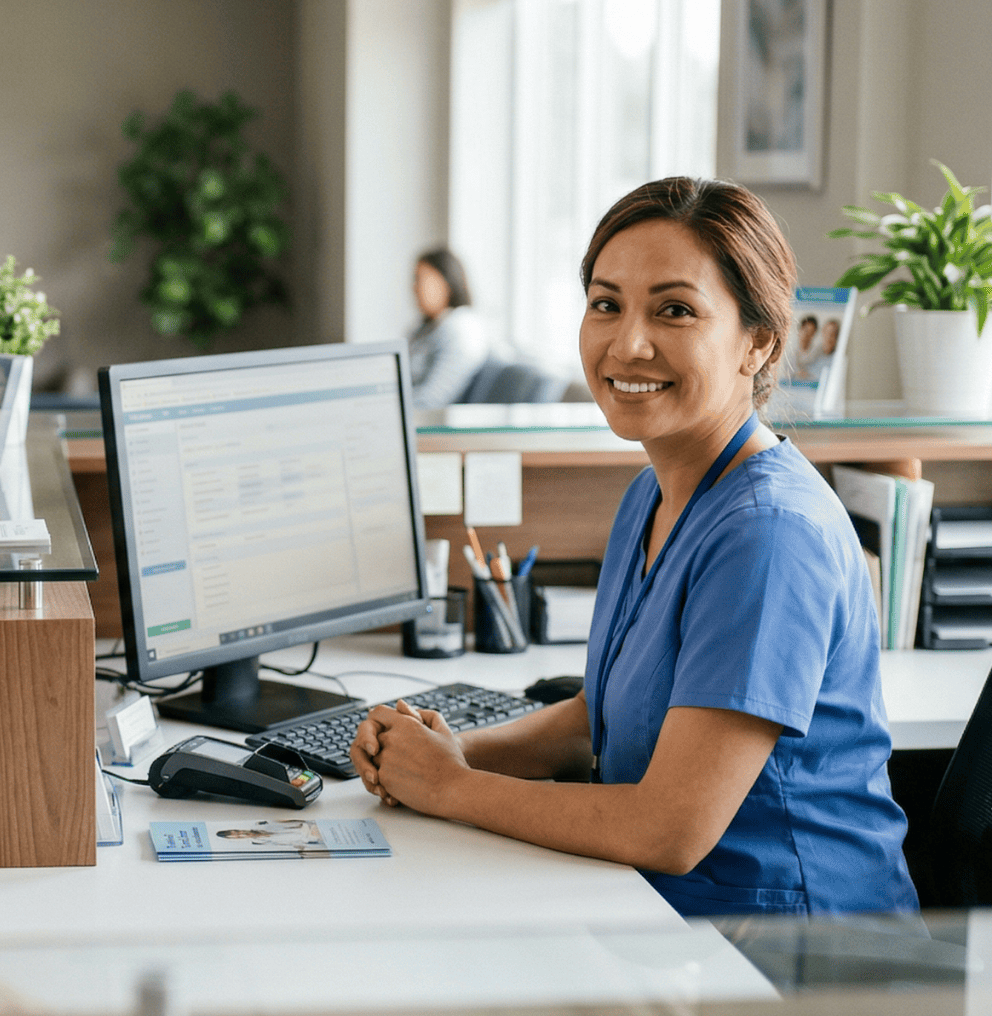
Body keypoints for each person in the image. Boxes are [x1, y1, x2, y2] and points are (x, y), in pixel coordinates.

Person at [352, 177, 918, 917]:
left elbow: (669, 829)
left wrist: (453, 789)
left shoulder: (769, 534)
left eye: (675, 310)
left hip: (791, 947)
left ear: (759, 341)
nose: (627, 343)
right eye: (605, 304)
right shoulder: (654, 492)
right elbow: (598, 719)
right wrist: (438, 753)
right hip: (667, 914)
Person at [406, 248, 489, 410]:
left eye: (421, 280)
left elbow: (433, 400)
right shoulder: (423, 328)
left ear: (446, 283)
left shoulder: (461, 329)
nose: (414, 288)